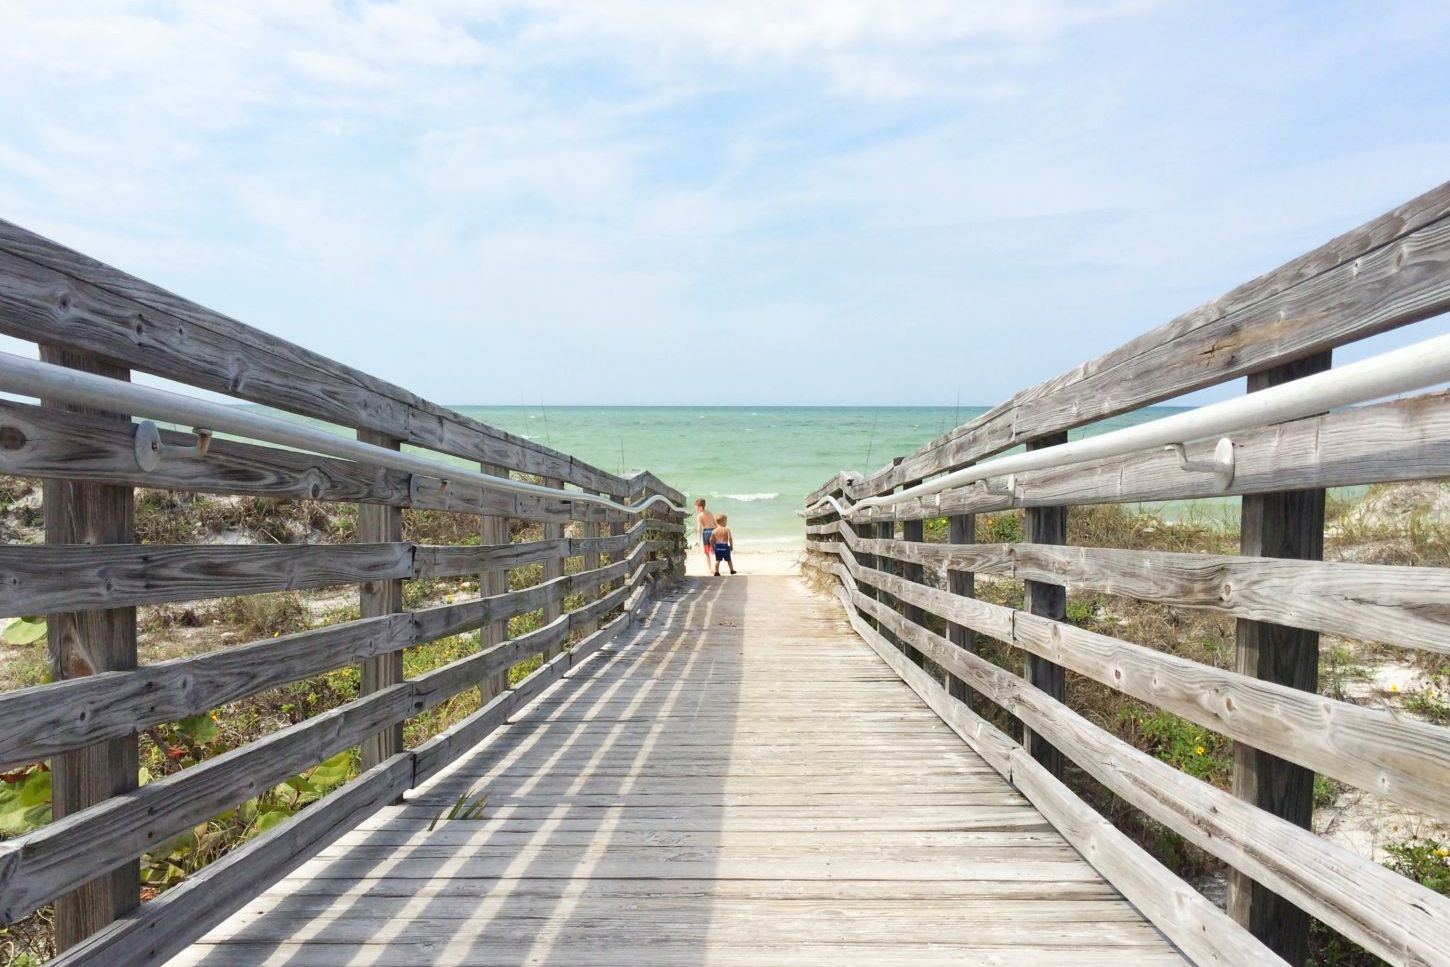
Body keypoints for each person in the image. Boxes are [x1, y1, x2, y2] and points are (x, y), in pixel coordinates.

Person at [695, 498, 717, 571]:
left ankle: (710, 568)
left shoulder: (700, 515)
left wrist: (698, 540)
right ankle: (716, 567)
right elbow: (715, 524)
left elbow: (699, 528)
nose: (695, 508)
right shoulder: (709, 512)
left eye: (696, 506)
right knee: (714, 550)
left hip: (707, 533)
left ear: (700, 507)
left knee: (707, 552)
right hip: (714, 531)